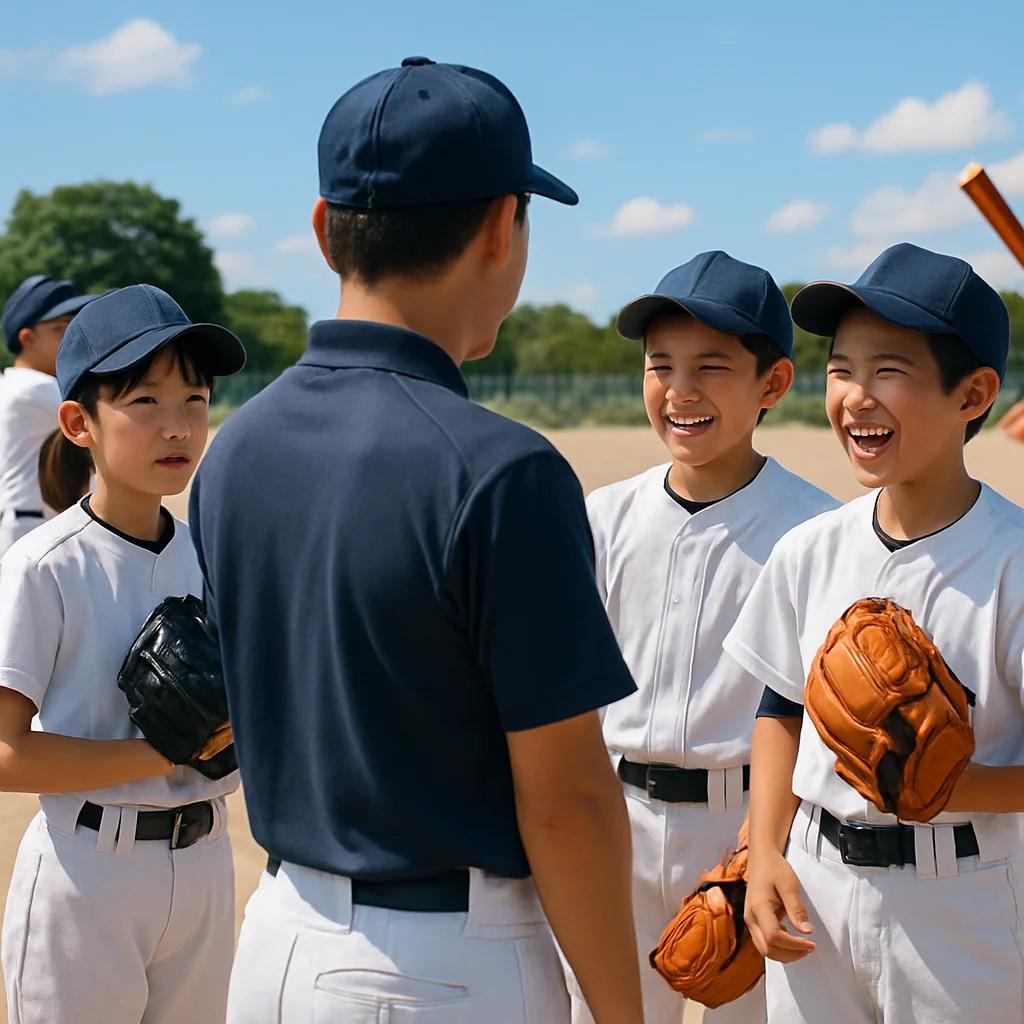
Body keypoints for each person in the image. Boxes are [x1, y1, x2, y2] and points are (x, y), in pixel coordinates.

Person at [190, 56, 644, 1023]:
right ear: (499, 226)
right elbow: (565, 803)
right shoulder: (501, 470)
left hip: (274, 940)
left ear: (323, 231)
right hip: (440, 967)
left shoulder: (235, 449)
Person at [724, 242, 1024, 1024]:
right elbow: (778, 707)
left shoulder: (1013, 562)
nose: (856, 395)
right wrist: (762, 854)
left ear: (974, 394)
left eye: (888, 369)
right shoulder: (812, 547)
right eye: (841, 368)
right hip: (814, 890)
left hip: (960, 902)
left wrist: (954, 787)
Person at [572, 251, 837, 1024]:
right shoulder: (603, 516)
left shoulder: (815, 528)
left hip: (751, 827)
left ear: (773, 385)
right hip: (615, 817)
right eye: (661, 365)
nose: (680, 390)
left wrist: (769, 847)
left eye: (712, 366)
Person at [0, 284, 246, 1024]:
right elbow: (6, 754)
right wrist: (165, 753)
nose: (177, 427)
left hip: (206, 866)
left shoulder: (211, 555)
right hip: (88, 876)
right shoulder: (45, 564)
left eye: (195, 401)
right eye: (145, 402)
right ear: (78, 422)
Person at [0, 275, 94, 556]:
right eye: (59, 328)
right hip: (33, 524)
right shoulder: (35, 387)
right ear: (27, 338)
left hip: (21, 520)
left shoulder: (11, 384)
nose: (71, 336)